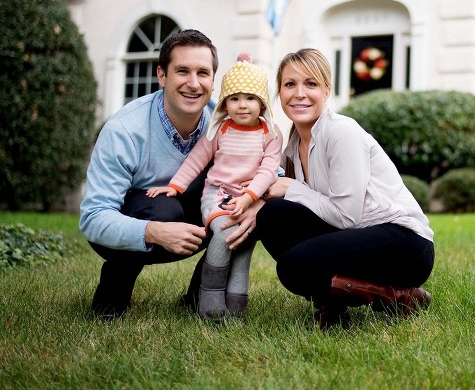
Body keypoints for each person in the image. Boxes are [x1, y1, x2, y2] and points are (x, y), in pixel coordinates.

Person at [244, 47, 435, 330]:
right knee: (272, 216)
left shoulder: (341, 132)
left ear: (326, 90)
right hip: (357, 234)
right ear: (279, 93)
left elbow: (347, 216)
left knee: (292, 267)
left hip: (404, 243)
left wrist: (293, 188)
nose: (299, 93)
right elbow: (295, 204)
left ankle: (397, 295)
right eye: (289, 84)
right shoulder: (294, 145)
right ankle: (332, 302)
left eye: (311, 84)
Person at [79, 29, 218, 319]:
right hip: (138, 218)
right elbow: (93, 217)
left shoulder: (225, 123)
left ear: (213, 80)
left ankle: (201, 297)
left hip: (194, 218)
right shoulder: (125, 129)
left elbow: (268, 169)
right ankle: (110, 300)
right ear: (162, 75)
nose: (193, 83)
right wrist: (154, 231)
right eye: (182, 71)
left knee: (244, 200)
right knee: (163, 208)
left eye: (203, 73)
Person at [147, 53, 283, 320]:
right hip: (218, 194)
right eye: (234, 99)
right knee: (223, 234)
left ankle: (235, 305)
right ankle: (209, 299)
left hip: (251, 197)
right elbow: (197, 159)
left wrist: (249, 197)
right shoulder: (220, 130)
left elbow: (268, 171)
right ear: (224, 103)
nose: (242, 106)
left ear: (262, 102)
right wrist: (176, 185)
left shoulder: (270, 134)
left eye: (250, 98)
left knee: (244, 243)